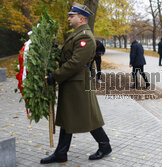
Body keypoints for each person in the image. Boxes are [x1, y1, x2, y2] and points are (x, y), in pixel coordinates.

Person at [41, 2, 112, 164]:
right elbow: (68, 55)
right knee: (69, 117)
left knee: (87, 117)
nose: (68, 18)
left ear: (82, 19)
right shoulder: (77, 33)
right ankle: (61, 152)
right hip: (72, 83)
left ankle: (104, 145)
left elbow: (75, 62)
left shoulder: (85, 36)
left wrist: (56, 76)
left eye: (71, 16)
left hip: (78, 84)